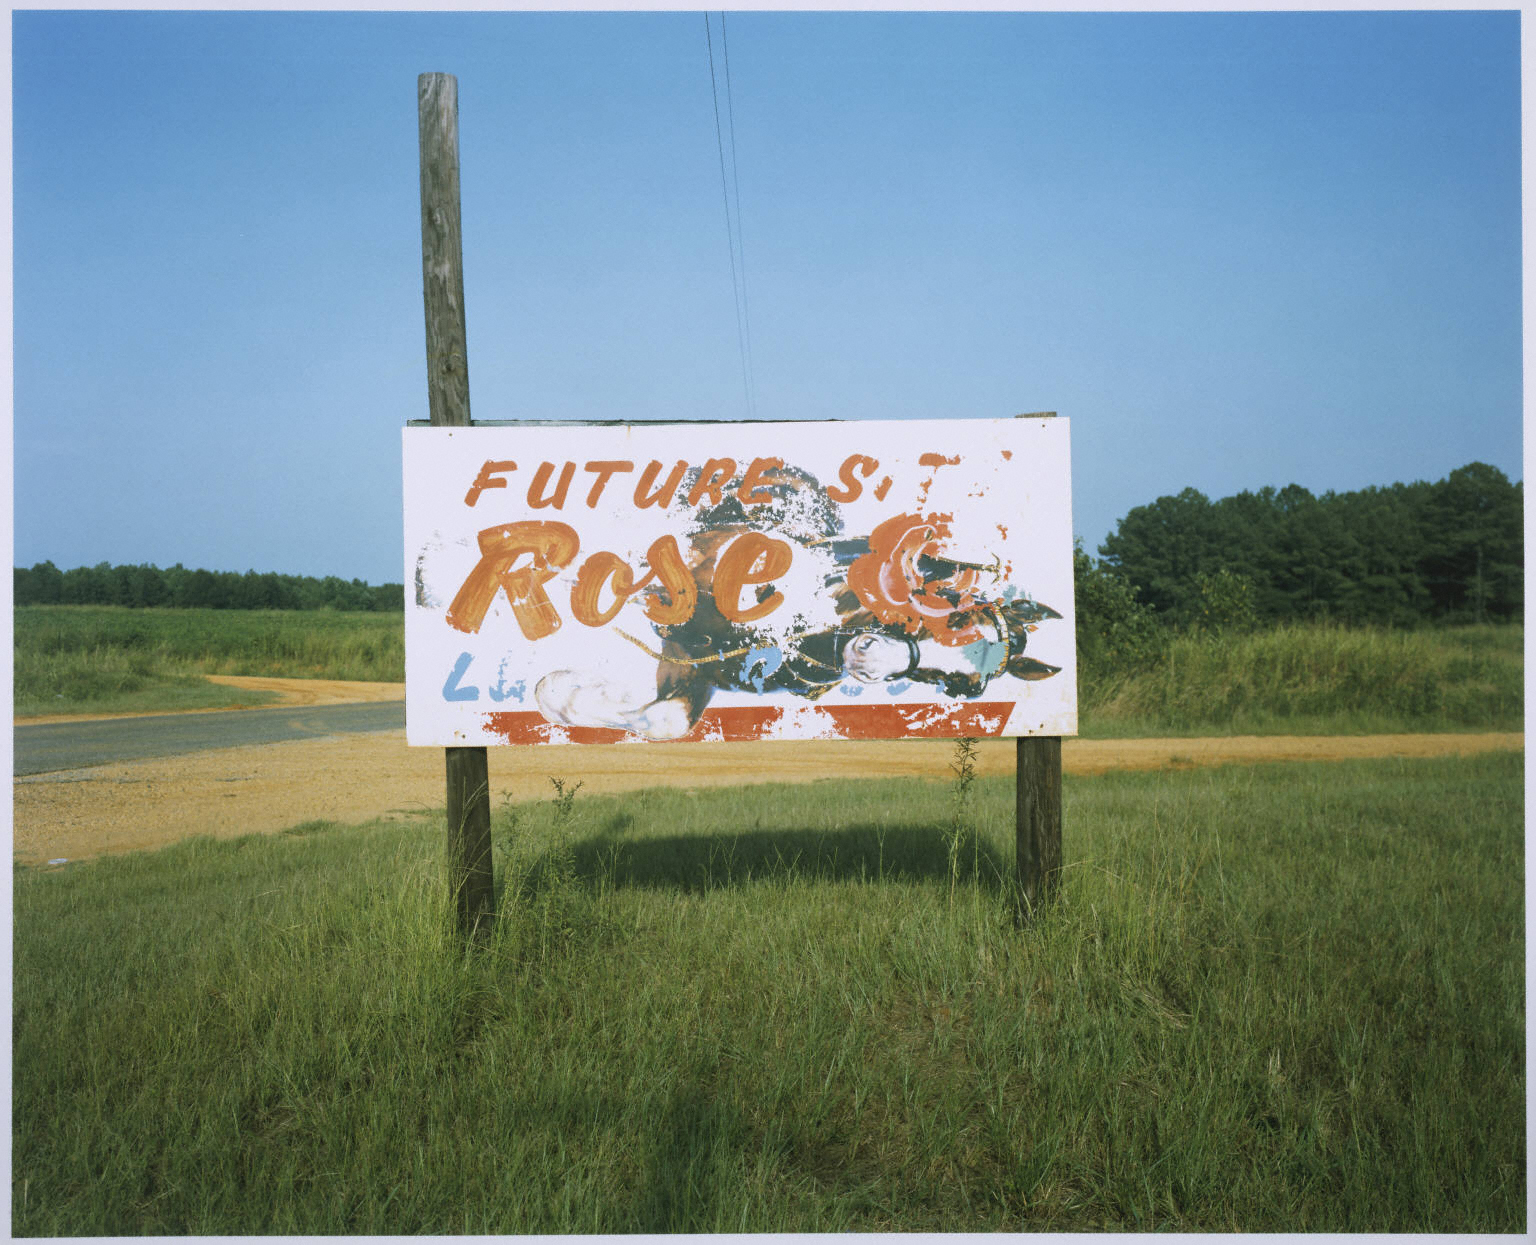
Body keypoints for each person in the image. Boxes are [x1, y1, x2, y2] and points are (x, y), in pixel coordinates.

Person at [534, 463, 1062, 740]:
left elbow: (688, 657)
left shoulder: (817, 657)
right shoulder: (850, 564)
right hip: (754, 563)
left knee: (674, 717)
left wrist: (642, 713)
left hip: (742, 627)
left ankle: (623, 712)